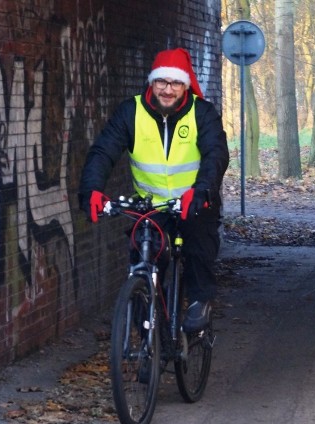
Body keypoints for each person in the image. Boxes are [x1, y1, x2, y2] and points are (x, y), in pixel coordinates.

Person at [78, 47, 229, 332]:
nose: (167, 89)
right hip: (151, 205)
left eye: (175, 83)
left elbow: (216, 155)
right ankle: (151, 334)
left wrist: (202, 191)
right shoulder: (130, 112)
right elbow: (103, 152)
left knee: (198, 249)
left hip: (194, 202)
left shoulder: (202, 113)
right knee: (143, 258)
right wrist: (92, 189)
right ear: (152, 82)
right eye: (162, 82)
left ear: (185, 85)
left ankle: (200, 301)